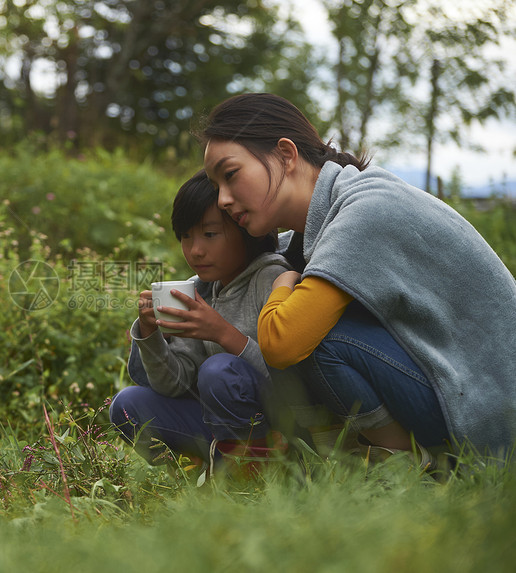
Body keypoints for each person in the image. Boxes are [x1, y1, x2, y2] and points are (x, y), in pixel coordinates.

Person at [199, 92, 516, 460]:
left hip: (490, 413)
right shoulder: (317, 226)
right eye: (215, 185)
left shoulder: (365, 209)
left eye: (231, 175)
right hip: (455, 393)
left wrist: (282, 281)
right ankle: (331, 460)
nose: (222, 199)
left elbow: (283, 341)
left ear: (286, 155)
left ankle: (406, 467)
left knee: (312, 335)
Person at [108, 170, 307, 467]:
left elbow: (295, 381)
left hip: (283, 422)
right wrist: (150, 334)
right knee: (126, 406)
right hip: (220, 425)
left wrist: (221, 333)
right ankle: (208, 464)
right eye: (186, 237)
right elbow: (173, 385)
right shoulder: (200, 290)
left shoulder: (273, 279)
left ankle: (264, 466)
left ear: (246, 230)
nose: (195, 250)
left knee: (219, 371)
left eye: (209, 235)